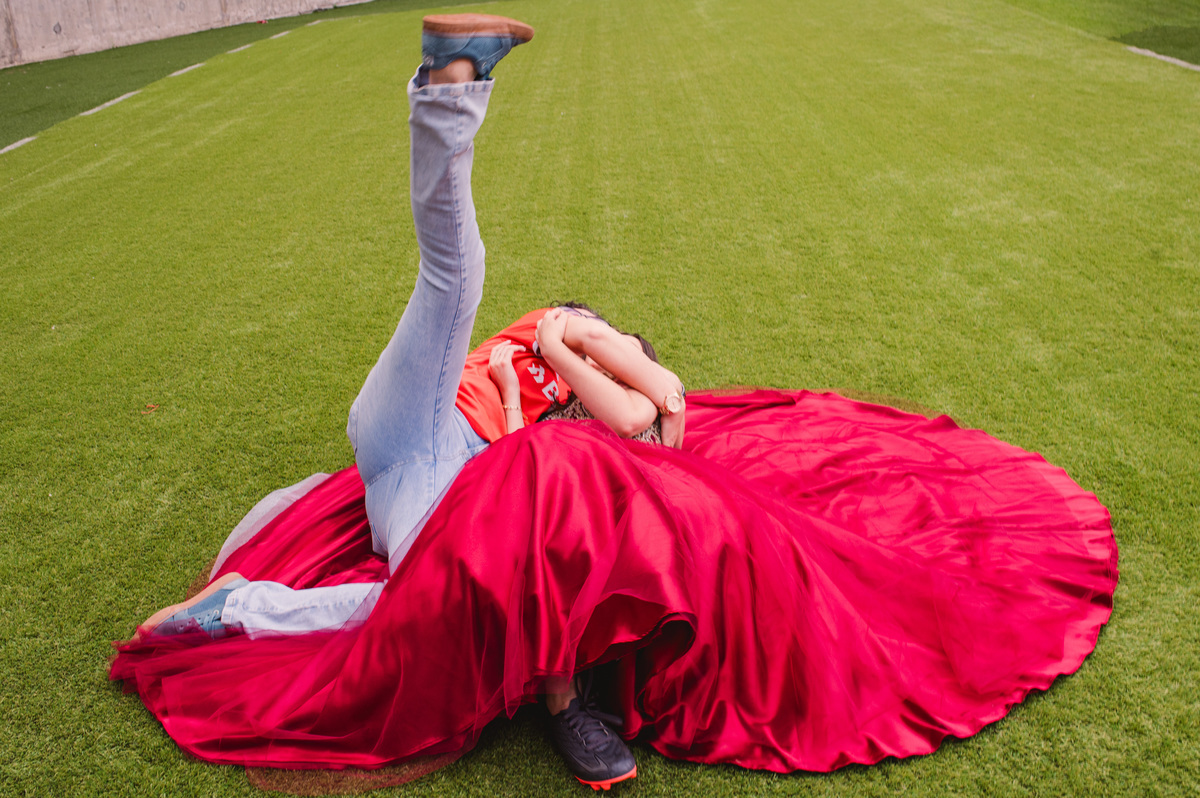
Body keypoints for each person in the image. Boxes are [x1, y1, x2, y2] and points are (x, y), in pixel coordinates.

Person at [134, 14, 682, 790]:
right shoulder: (567, 330)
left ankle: (237, 610)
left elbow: (522, 457)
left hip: (419, 486)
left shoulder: (555, 419)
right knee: (456, 279)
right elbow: (651, 397)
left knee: (418, 602)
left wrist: (530, 407)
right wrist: (605, 364)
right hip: (425, 422)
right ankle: (452, 81)